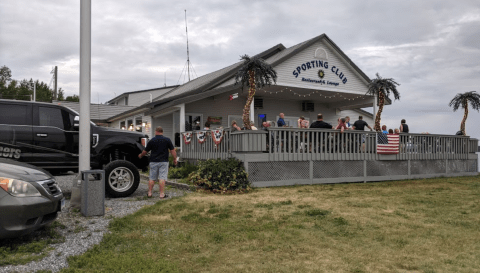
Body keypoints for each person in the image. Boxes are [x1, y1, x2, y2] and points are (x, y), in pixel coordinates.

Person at [138, 126, 177, 198]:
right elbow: (172, 150)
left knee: (152, 178)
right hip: (164, 161)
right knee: (162, 178)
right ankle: (162, 194)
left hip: (153, 161)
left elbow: (145, 151)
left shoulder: (152, 140)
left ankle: (149, 193)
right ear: (162, 132)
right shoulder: (167, 140)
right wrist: (175, 159)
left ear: (156, 132)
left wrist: (140, 155)